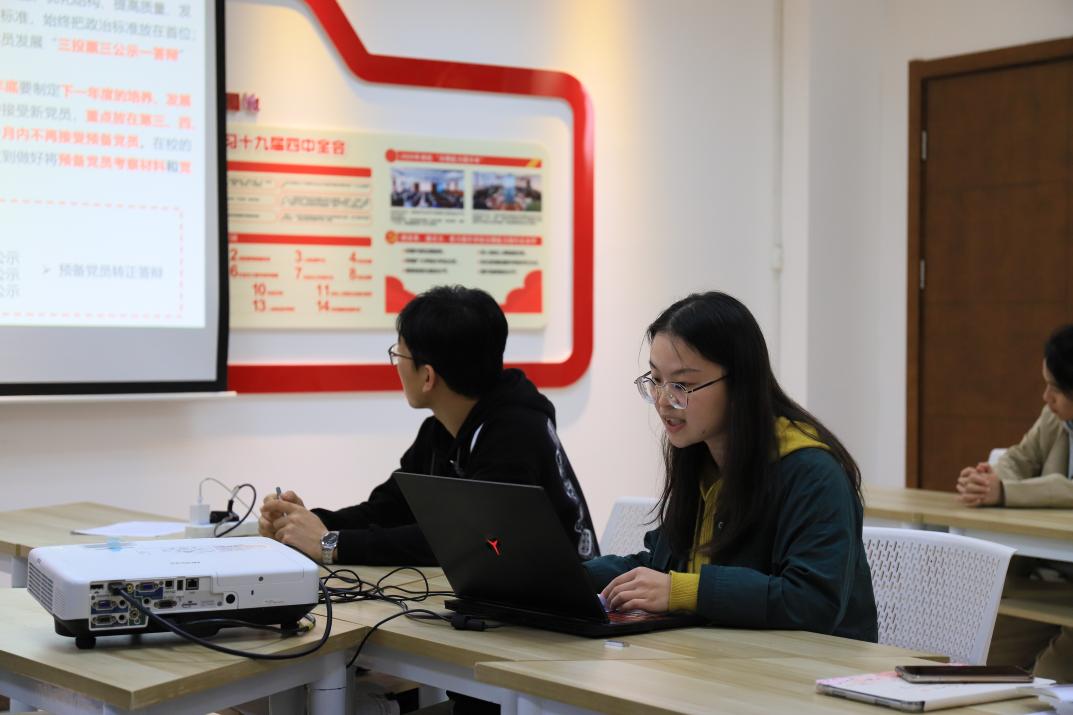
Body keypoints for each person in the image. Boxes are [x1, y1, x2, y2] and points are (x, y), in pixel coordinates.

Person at [583, 291, 878, 641]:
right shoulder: (700, 454)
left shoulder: (813, 473)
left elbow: (812, 602)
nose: (663, 401)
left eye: (682, 385)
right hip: (725, 659)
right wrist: (562, 575)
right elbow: (665, 567)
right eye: (656, 381)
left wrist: (685, 591)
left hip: (812, 669)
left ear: (739, 382)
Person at [259, 285, 598, 567]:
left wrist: (331, 543)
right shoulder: (440, 430)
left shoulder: (515, 434)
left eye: (399, 355)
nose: (396, 366)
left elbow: (467, 541)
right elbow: (391, 508)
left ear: (427, 377)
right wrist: (305, 523)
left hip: (564, 608)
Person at [955, 324, 1073, 682]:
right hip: (1044, 580)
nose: (1046, 397)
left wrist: (1005, 492)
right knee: (972, 662)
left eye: (1055, 388)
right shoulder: (1055, 417)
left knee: (1049, 682)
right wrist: (989, 480)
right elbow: (1019, 458)